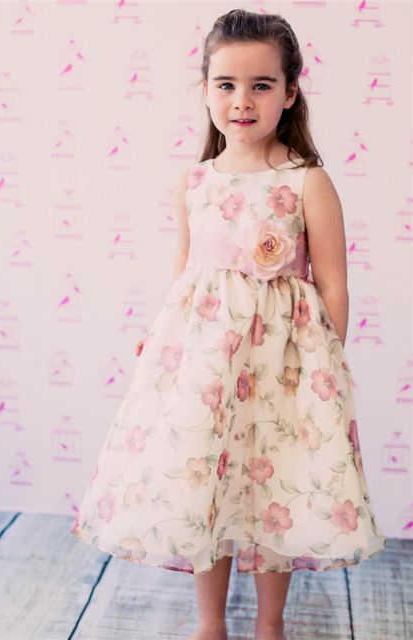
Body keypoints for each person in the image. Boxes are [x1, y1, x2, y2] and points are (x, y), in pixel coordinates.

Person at [70, 9, 387, 640]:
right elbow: (187, 274)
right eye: (226, 84)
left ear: (289, 93)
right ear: (207, 89)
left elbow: (332, 283)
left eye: (261, 85)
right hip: (207, 367)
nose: (242, 100)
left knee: (276, 492)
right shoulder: (195, 182)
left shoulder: (306, 181)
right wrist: (164, 333)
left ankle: (271, 625)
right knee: (204, 487)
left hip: (283, 370)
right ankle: (209, 624)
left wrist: (325, 364)